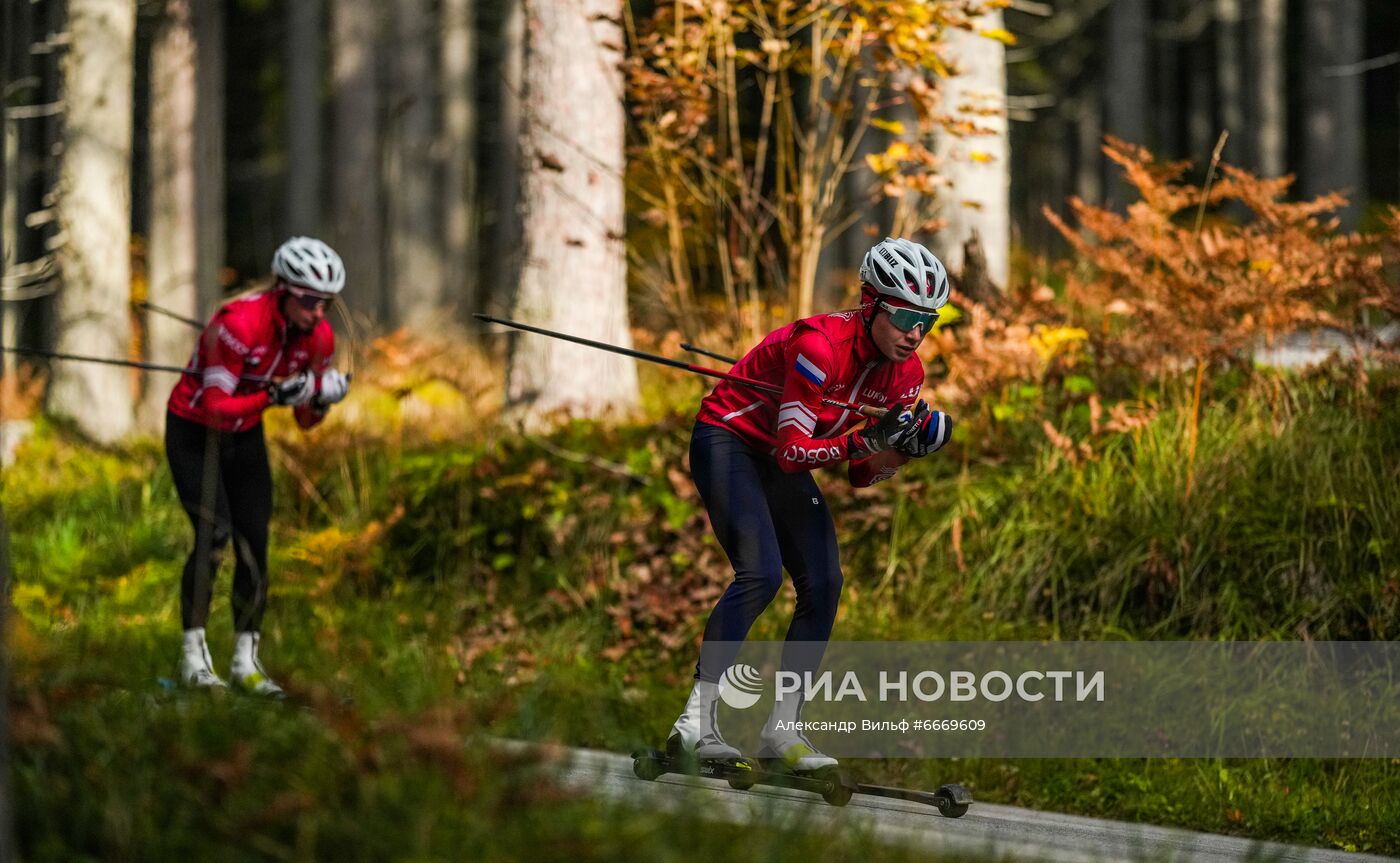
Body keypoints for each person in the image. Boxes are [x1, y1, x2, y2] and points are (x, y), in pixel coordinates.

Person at [668, 237, 955, 771]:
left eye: (927, 321)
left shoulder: (908, 375)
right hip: (730, 439)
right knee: (760, 574)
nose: (914, 334)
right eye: (903, 317)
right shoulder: (819, 346)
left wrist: (904, 450)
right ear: (870, 304)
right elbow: (793, 452)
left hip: (781, 458)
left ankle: (782, 732)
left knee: (824, 582)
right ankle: (693, 726)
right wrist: (865, 438)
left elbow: (861, 474)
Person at [164, 236, 352, 696]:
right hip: (195, 431)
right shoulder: (238, 324)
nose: (318, 312)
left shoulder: (319, 337)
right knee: (214, 534)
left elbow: (305, 422)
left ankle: (245, 664)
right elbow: (214, 407)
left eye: (326, 303)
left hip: (244, 434)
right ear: (283, 290)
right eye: (309, 300)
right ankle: (193, 660)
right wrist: (271, 395)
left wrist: (321, 400)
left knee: (255, 543)